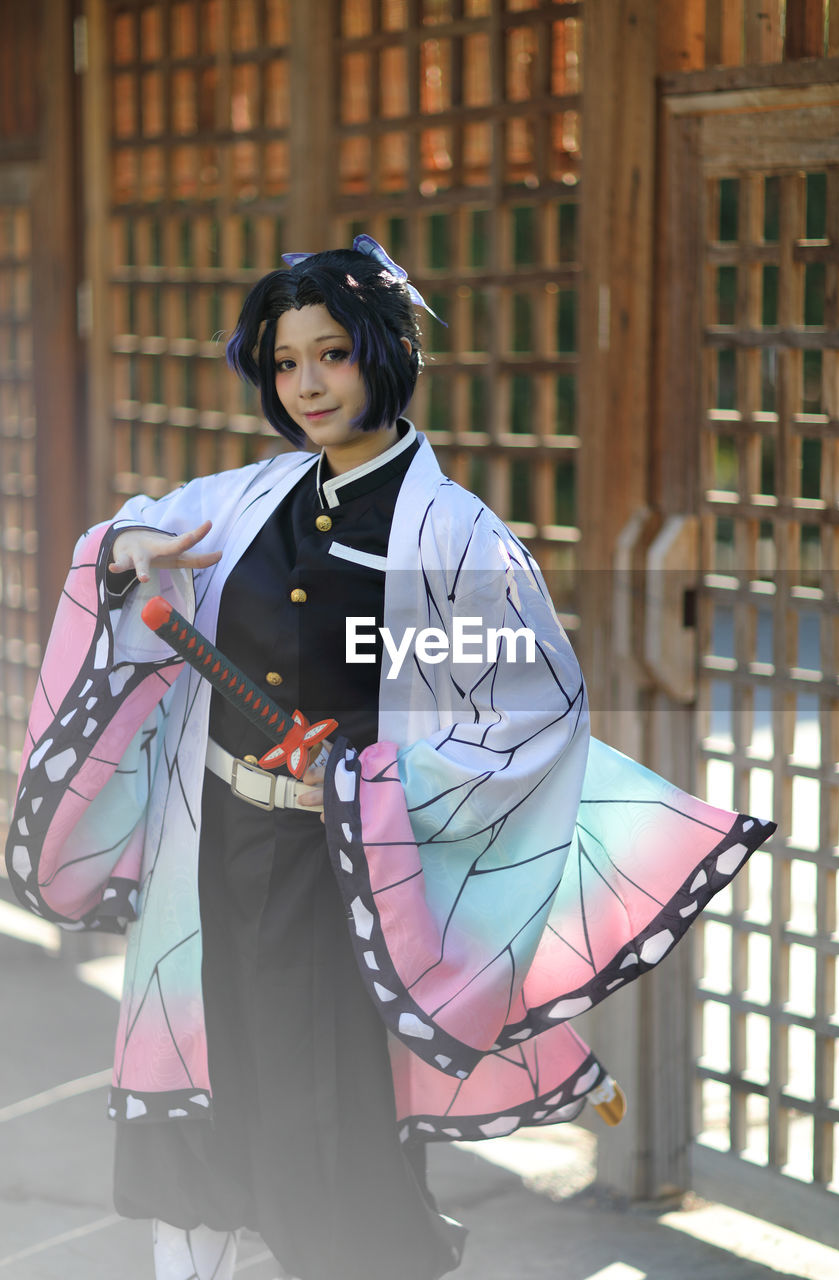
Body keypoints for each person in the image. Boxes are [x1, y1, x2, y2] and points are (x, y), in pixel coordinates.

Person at [5, 237, 775, 1280]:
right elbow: (126, 541)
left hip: (342, 874)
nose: (307, 383)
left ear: (382, 353)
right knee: (198, 1106)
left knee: (322, 1118)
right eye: (285, 362)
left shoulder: (453, 537)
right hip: (214, 854)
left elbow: (526, 717)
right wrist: (125, 550)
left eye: (331, 353)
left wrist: (363, 777)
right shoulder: (244, 501)